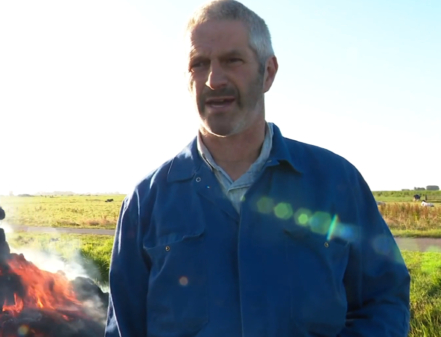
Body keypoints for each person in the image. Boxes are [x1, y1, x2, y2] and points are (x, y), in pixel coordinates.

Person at [104, 0, 411, 336]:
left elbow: (383, 299)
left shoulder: (337, 182)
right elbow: (124, 326)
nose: (213, 80)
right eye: (199, 64)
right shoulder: (146, 202)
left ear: (268, 72)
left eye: (232, 60)